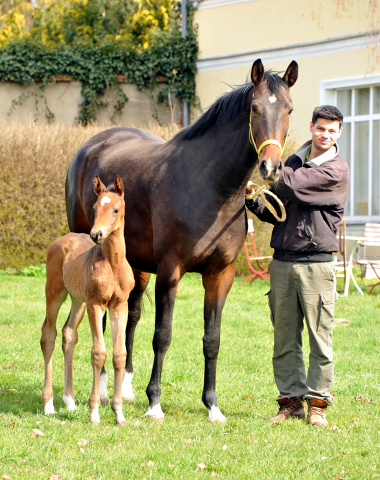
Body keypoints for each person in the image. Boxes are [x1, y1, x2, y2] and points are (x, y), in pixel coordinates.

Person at [245, 105, 349, 427]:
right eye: (321, 128)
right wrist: (253, 199)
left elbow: (297, 186)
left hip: (317, 265)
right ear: (312, 127)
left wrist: (274, 168)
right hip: (282, 263)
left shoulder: (336, 170)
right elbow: (276, 207)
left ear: (338, 134)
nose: (325, 134)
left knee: (320, 339)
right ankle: (290, 403)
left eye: (332, 131)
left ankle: (317, 405)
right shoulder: (291, 163)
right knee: (284, 339)